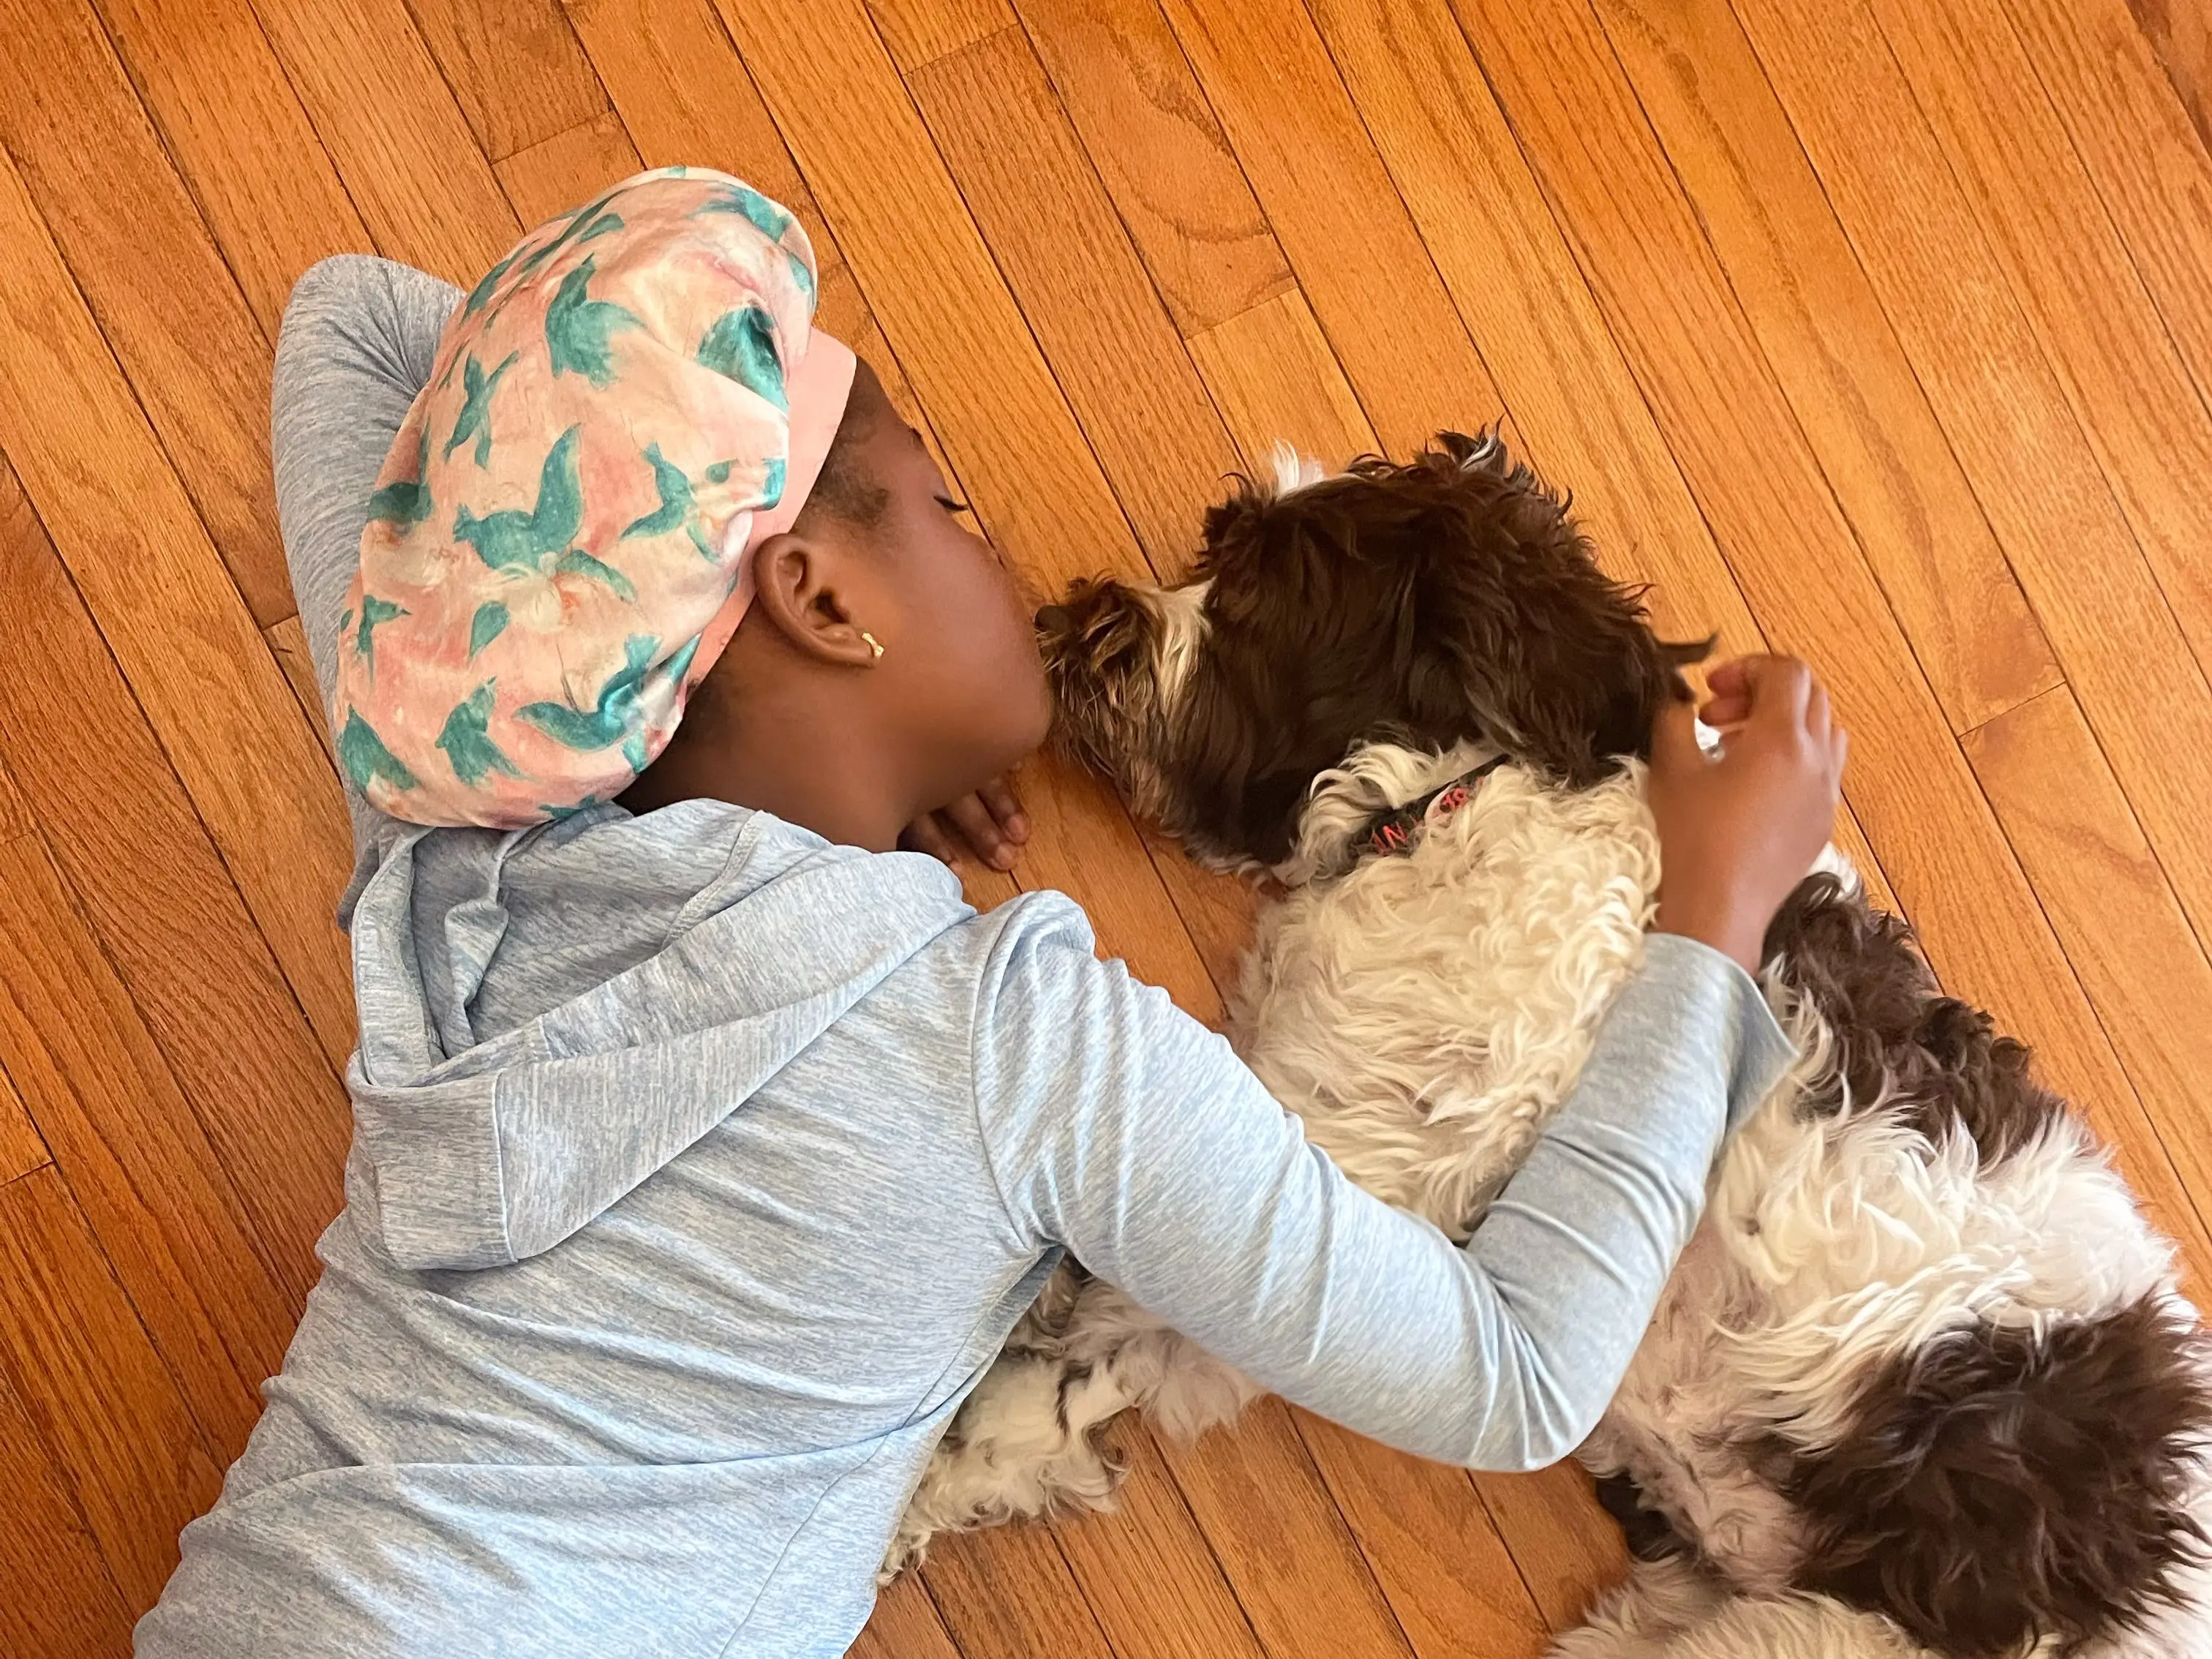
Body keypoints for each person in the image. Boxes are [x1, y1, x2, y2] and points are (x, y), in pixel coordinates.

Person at [134, 170, 1844, 1658]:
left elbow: (356, 331)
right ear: (814, 599)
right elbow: (1514, 1371)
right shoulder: (1008, 1046)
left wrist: (801, 748)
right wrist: (1714, 913)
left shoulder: (462, 833)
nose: (996, 540)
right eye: (951, 509)